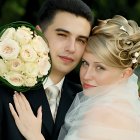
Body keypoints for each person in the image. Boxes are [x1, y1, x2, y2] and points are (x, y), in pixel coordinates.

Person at [9, 15, 140, 140]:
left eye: (100, 68)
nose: (86, 76)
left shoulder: (102, 115)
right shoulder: (126, 110)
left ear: (125, 74)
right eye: (85, 63)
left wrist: (34, 135)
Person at [0, 0, 94, 140]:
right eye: (62, 35)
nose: (72, 48)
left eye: (81, 40)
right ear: (38, 33)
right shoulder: (4, 92)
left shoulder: (86, 102)